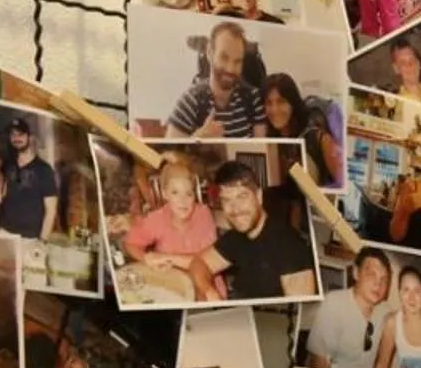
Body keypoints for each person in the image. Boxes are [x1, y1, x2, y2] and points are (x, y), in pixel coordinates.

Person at [124, 156, 225, 301]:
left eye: (188, 194)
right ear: (165, 194)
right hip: (174, 288)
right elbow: (131, 242)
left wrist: (165, 258)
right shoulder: (157, 218)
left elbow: (204, 262)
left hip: (208, 288)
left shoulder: (204, 214)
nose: (183, 201)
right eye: (175, 193)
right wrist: (146, 258)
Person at [212, 160, 312, 300]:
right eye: (226, 200)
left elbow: (301, 310)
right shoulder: (237, 235)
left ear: (259, 196)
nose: (235, 209)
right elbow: (199, 263)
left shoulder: (290, 248)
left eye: (242, 197)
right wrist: (208, 291)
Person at [166, 19, 261, 137]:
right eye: (224, 58)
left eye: (237, 61)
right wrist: (197, 138)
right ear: (210, 52)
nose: (230, 69)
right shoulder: (190, 100)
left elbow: (263, 147)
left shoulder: (253, 98)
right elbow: (169, 148)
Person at [305, 247, 394, 368]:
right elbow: (318, 365)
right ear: (356, 273)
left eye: (384, 279)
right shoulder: (334, 303)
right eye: (371, 275)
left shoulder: (385, 312)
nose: (378, 284)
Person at [0, 116, 59, 242]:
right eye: (13, 135)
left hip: (30, 237)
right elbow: (0, 193)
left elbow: (51, 209)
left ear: (29, 137)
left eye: (20, 134)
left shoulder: (44, 169)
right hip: (4, 231)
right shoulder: (8, 164)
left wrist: (43, 241)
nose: (16, 138)